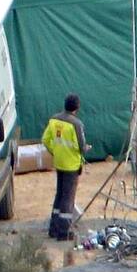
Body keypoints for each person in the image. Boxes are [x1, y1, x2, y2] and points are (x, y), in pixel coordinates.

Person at [41, 93, 88, 240]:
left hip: (59, 162)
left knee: (59, 196)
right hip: (72, 165)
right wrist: (86, 149)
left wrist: (55, 151)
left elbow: (45, 139)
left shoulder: (54, 120)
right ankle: (64, 232)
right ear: (77, 107)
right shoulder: (76, 124)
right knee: (68, 198)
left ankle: (53, 229)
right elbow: (81, 146)